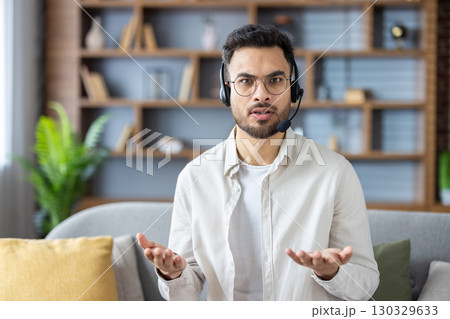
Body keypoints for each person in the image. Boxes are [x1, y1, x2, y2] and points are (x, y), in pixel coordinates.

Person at [137, 24, 379, 301]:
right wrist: (174, 274)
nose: (261, 94)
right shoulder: (195, 176)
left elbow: (365, 284)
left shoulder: (335, 173)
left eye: (275, 80)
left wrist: (332, 273)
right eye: (246, 81)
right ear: (226, 91)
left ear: (293, 88)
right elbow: (185, 292)